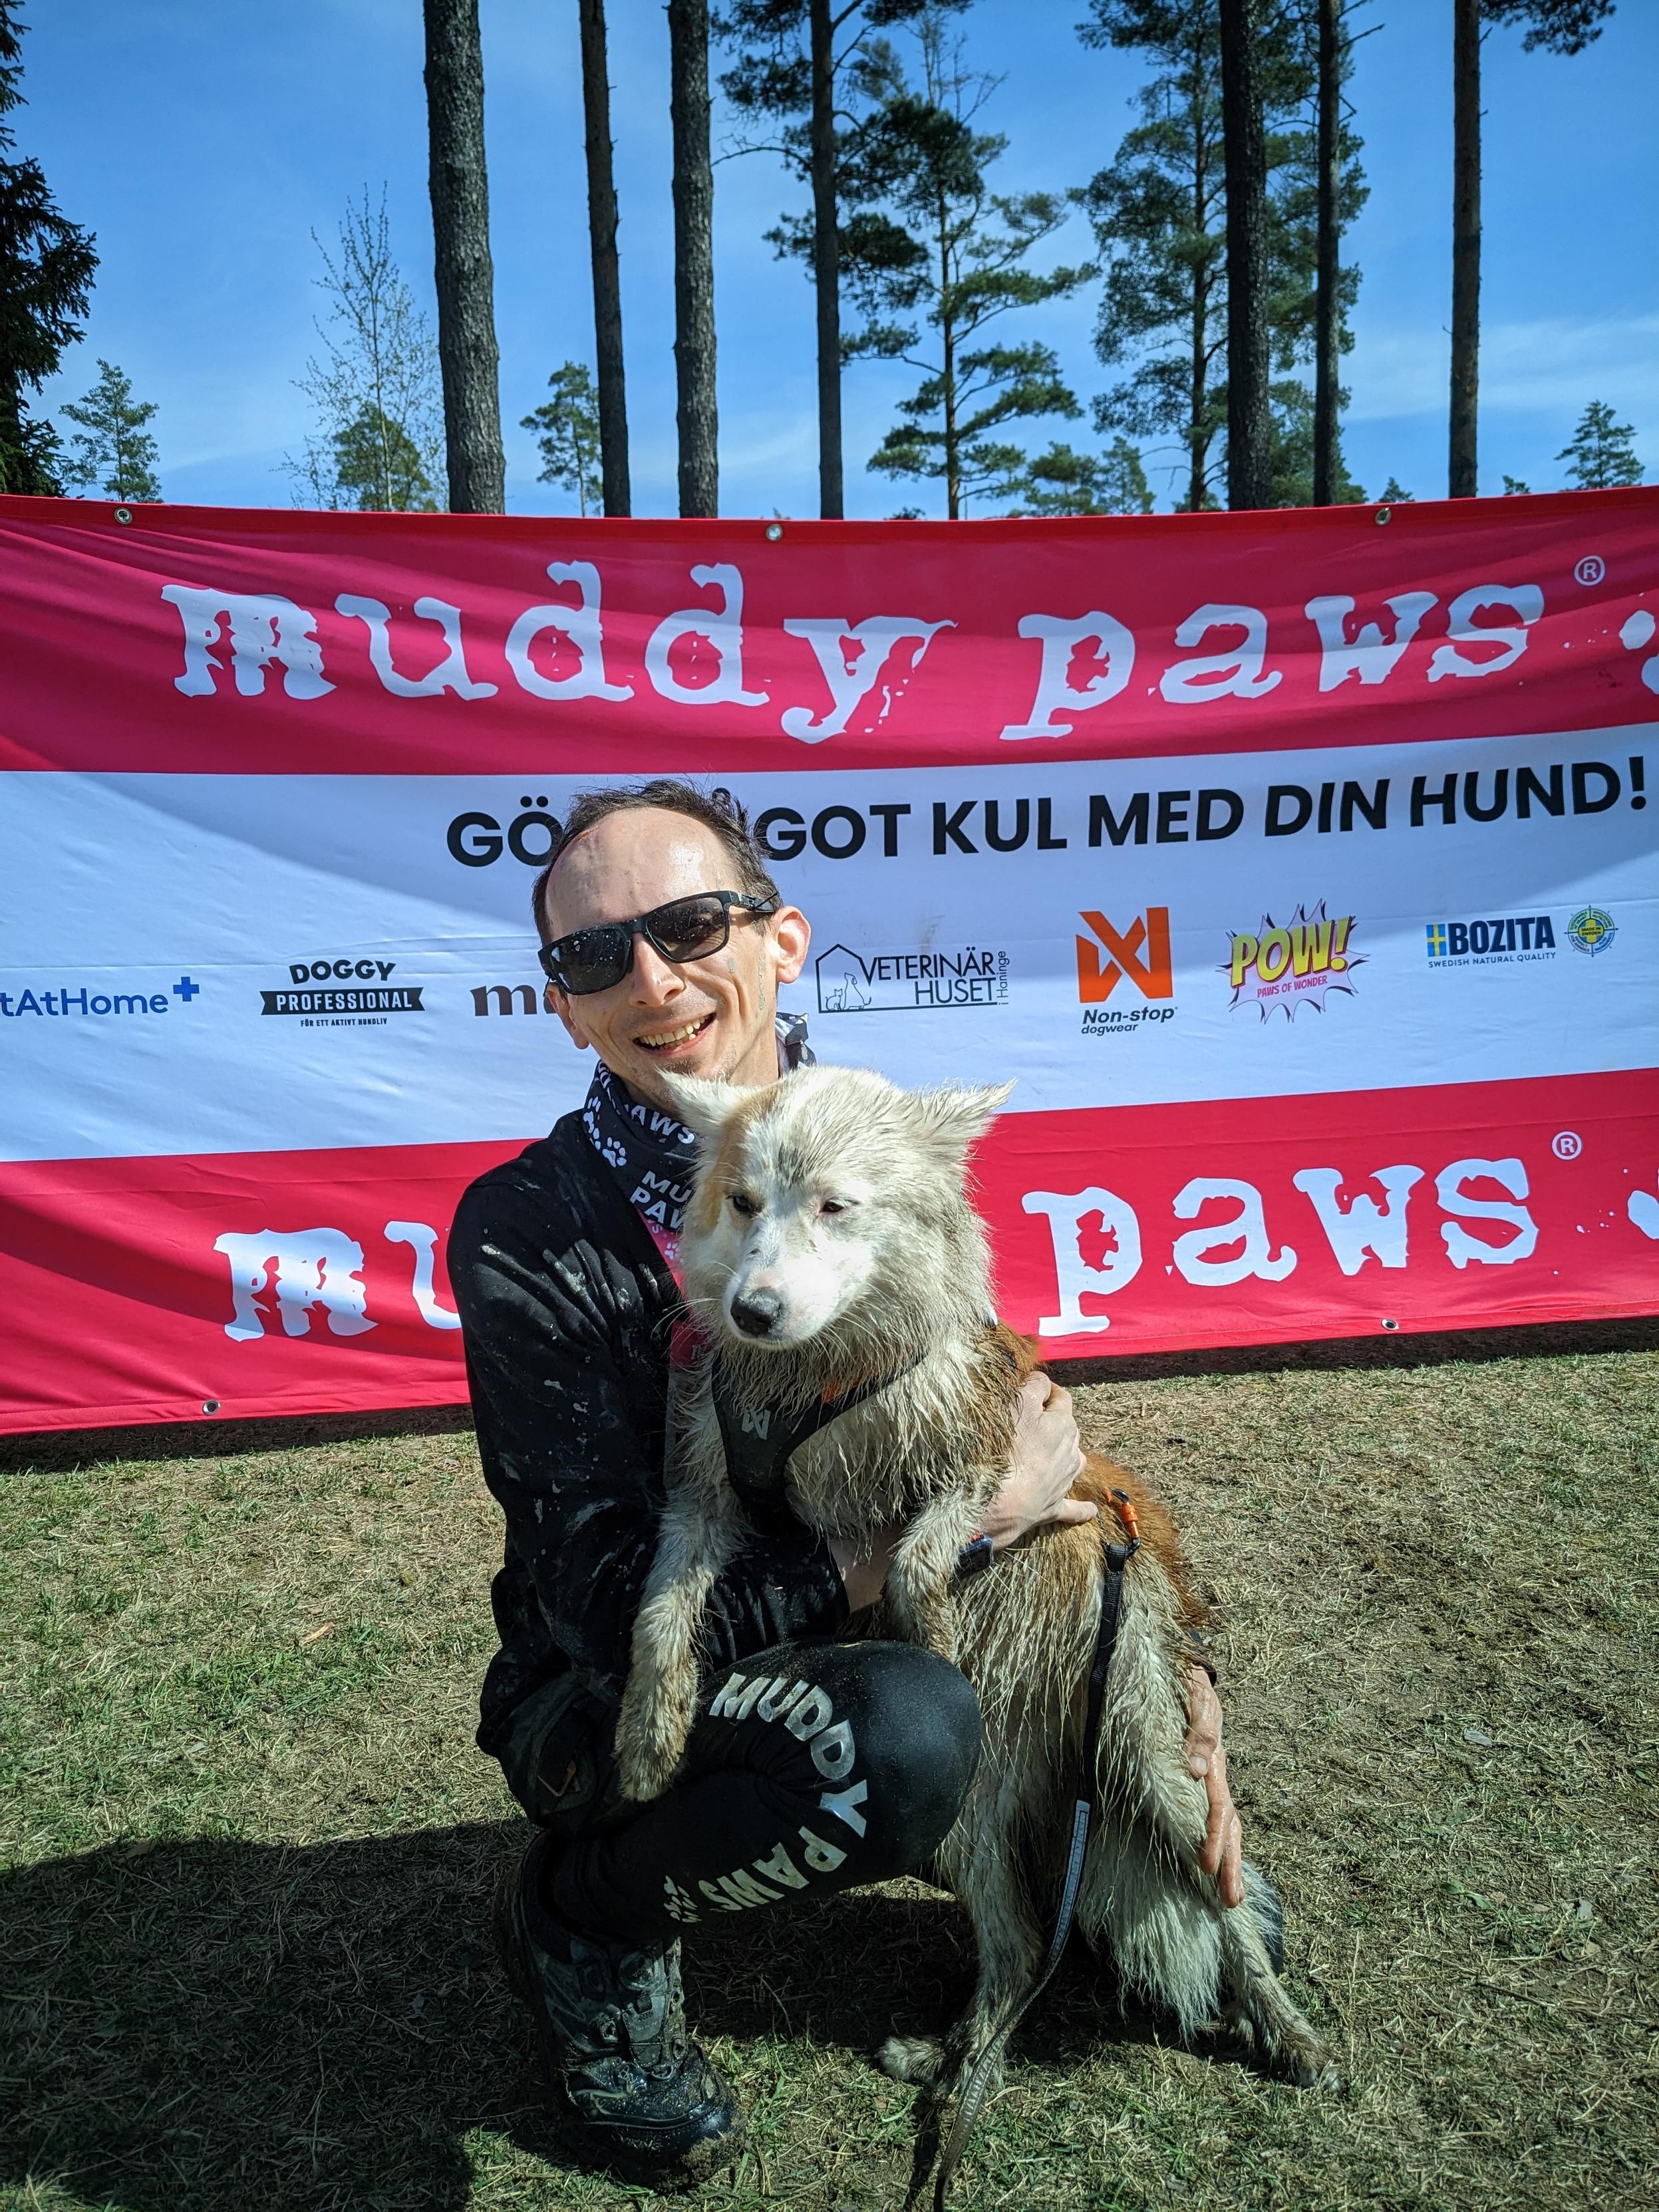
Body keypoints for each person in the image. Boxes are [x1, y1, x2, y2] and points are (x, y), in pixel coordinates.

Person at [449, 778, 1245, 2181]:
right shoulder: (529, 1230)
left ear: (780, 938)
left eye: (690, 922)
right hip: (611, 1675)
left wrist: (1173, 1691)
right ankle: (588, 1915)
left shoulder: (885, 1155)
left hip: (862, 1610)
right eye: (591, 955)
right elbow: (590, 1593)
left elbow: (1027, 1434)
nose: (650, 975)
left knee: (1129, 1840)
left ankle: (1084, 1850)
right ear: (561, 1004)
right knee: (901, 1733)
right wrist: (919, 1551)